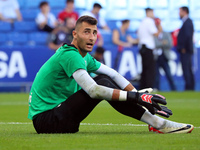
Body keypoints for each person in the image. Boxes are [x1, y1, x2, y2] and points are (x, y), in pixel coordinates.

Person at [28, 15, 193, 134]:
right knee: (101, 82)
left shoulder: (83, 57)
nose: (92, 37)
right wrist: (136, 98)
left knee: (105, 79)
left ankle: (155, 122)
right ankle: (159, 123)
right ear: (75, 34)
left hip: (61, 118)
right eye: (86, 32)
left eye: (94, 33)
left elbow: (114, 74)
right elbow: (93, 90)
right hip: (47, 121)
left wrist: (139, 97)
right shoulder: (70, 55)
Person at [137, 8, 162, 90]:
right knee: (150, 70)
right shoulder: (149, 21)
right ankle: (149, 87)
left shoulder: (142, 22)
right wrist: (159, 26)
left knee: (144, 69)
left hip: (142, 48)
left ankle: (143, 87)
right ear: (149, 12)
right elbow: (156, 33)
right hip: (148, 48)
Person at [154, 18, 176, 91]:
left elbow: (170, 44)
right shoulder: (154, 34)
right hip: (156, 57)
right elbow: (155, 44)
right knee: (156, 76)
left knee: (169, 74)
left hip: (164, 56)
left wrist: (160, 44)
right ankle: (157, 89)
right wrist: (163, 43)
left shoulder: (166, 34)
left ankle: (174, 89)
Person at [177, 6, 195, 91]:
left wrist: (184, 47)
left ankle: (189, 87)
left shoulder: (188, 22)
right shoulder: (187, 22)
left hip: (186, 50)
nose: (179, 14)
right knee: (188, 69)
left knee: (187, 69)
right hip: (187, 50)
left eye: (180, 11)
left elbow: (187, 36)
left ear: (184, 12)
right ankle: (190, 87)